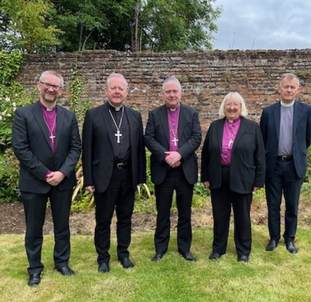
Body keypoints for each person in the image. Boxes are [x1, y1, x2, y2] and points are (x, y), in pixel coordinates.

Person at [12, 70, 81, 286]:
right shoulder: (23, 114)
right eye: (47, 85)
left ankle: (62, 262)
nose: (51, 89)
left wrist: (62, 173)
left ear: (61, 90)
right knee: (34, 228)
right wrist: (45, 173)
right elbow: (21, 149)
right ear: (38, 86)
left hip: (62, 181)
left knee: (62, 226)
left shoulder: (69, 116)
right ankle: (34, 268)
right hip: (34, 182)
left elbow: (75, 147)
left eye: (56, 86)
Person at [82, 72, 146, 272]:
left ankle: (123, 253)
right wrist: (88, 180)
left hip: (128, 174)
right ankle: (103, 258)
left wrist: (140, 178)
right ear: (106, 90)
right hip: (104, 176)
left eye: (121, 88)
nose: (117, 92)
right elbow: (87, 149)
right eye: (113, 88)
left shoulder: (134, 116)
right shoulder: (94, 115)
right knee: (103, 220)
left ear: (127, 92)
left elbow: (139, 150)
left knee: (125, 217)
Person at [201, 92, 265, 262]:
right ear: (224, 107)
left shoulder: (252, 128)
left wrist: (259, 180)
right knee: (220, 215)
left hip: (243, 177)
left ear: (241, 107)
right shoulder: (215, 126)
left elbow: (260, 156)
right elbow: (206, 153)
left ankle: (243, 251)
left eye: (235, 104)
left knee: (242, 216)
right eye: (228, 104)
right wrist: (205, 176)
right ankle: (218, 249)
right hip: (218, 176)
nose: (231, 107)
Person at [144, 76, 202, 262]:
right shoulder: (154, 114)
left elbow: (196, 137)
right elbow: (149, 139)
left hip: (185, 170)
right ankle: (160, 248)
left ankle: (184, 248)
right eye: (168, 91)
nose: (171, 95)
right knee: (163, 212)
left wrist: (179, 155)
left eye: (174, 91)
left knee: (185, 212)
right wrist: (166, 156)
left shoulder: (191, 113)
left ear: (180, 93)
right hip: (164, 170)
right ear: (163, 94)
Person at [260, 73, 311, 254]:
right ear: (280, 89)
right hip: (274, 166)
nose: (288, 90)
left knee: (292, 205)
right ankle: (274, 238)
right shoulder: (268, 112)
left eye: (292, 87)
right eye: (286, 86)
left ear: (298, 90)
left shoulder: (306, 111)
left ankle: (290, 239)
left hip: (294, 165)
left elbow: (308, 137)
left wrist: (297, 153)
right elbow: (263, 138)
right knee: (273, 205)